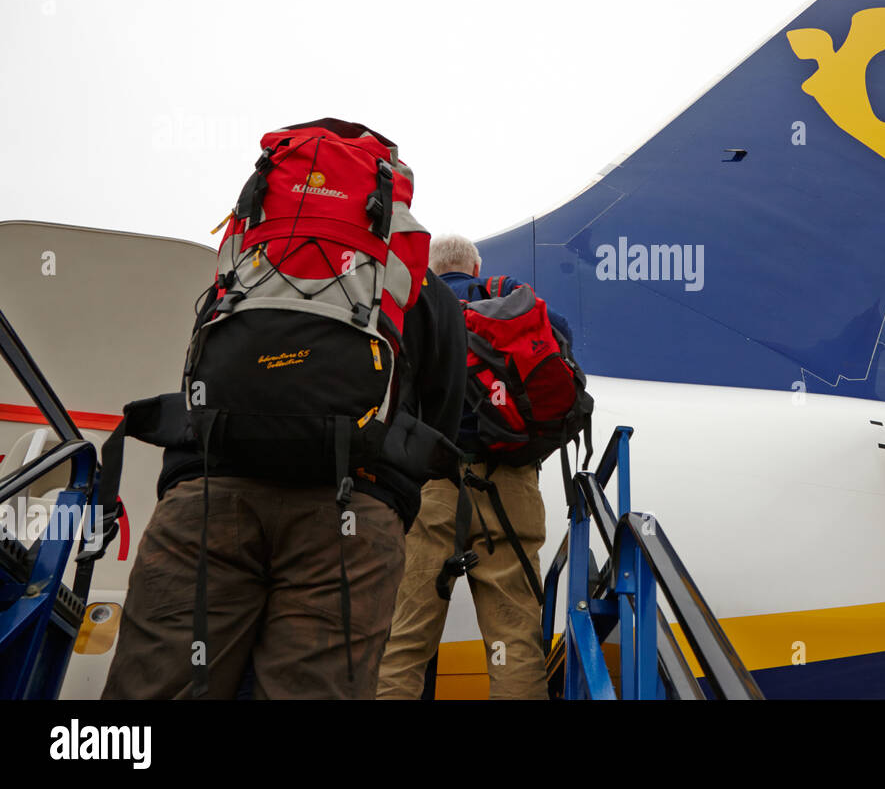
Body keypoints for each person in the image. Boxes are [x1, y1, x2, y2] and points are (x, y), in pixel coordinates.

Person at [101, 266, 467, 700]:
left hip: (207, 500)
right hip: (349, 515)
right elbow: (443, 415)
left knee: (158, 686)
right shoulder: (424, 290)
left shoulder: (252, 261)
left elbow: (199, 371)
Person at [377, 233, 571, 700]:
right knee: (512, 640)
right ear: (476, 267)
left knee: (405, 641)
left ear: (432, 268)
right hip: (510, 489)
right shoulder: (511, 304)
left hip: (431, 489)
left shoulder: (411, 308)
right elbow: (559, 345)